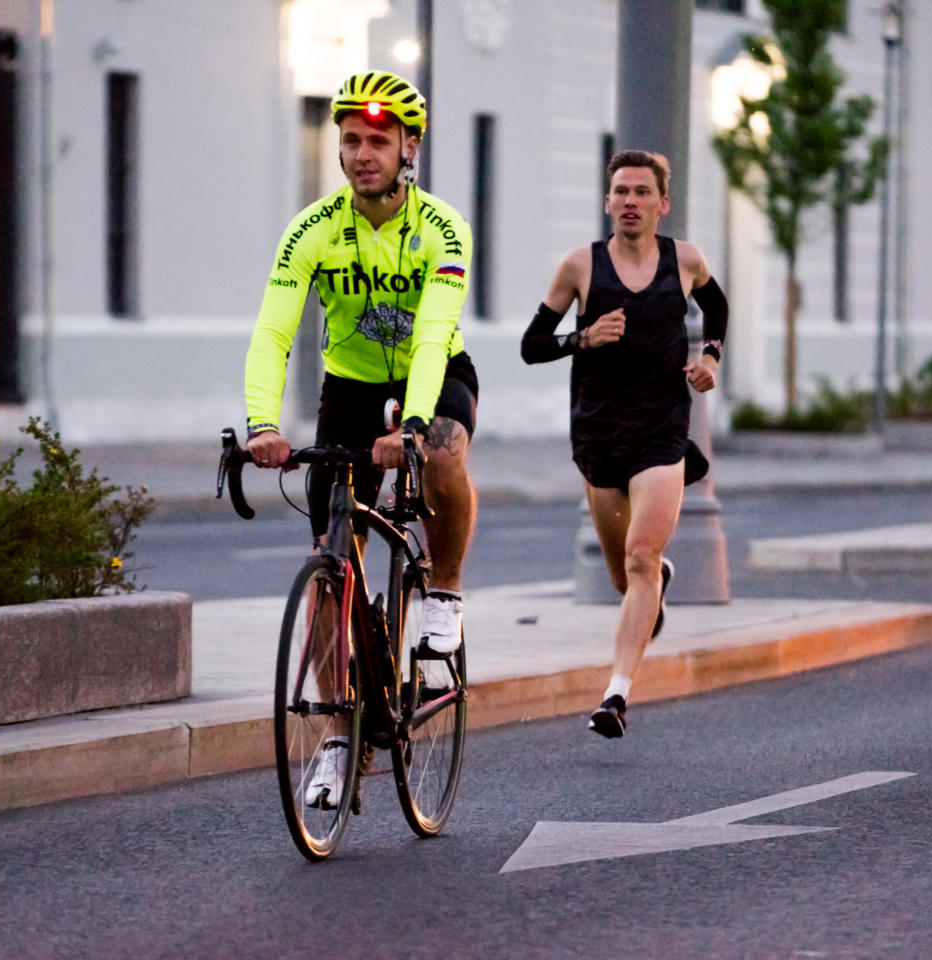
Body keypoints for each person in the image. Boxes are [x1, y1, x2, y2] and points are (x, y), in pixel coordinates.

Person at [245, 71, 478, 805]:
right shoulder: (313, 229)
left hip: (431, 375)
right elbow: (274, 331)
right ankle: (339, 738)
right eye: (350, 140)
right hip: (347, 390)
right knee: (329, 572)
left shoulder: (441, 228)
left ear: (409, 146)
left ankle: (442, 594)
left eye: (378, 140)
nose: (361, 153)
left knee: (441, 448)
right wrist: (261, 424)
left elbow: (436, 332)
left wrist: (410, 424)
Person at [522, 149, 727, 739]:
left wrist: (709, 356)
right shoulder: (579, 267)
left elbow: (716, 306)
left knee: (640, 556)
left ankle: (615, 695)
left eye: (642, 192)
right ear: (607, 201)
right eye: (620, 192)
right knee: (625, 573)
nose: (630, 202)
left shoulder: (685, 261)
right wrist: (581, 338)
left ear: (663, 203)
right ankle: (651, 582)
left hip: (662, 431)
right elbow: (532, 345)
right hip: (598, 434)